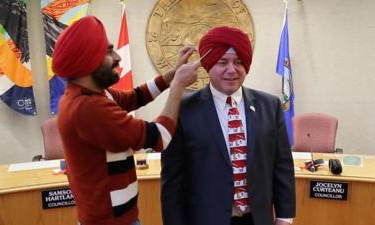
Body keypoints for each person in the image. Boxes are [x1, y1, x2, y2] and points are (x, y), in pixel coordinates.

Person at [52, 16, 199, 225]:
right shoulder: (87, 108)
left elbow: (136, 96)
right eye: (108, 51)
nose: (117, 56)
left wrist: (172, 74)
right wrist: (178, 86)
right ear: (88, 59)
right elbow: (160, 137)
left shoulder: (93, 94)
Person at [161, 26, 296, 225]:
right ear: (208, 65)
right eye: (222, 62)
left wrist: (285, 216)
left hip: (257, 219)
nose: (231, 70)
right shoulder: (183, 110)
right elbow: (172, 181)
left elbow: (282, 165)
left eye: (239, 62)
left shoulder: (270, 106)